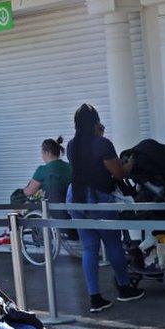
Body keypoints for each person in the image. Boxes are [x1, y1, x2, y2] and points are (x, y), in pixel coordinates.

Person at [66, 104, 145, 313]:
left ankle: (95, 298)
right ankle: (124, 288)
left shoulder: (72, 145)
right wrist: (128, 165)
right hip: (98, 199)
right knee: (113, 244)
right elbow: (119, 174)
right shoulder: (102, 144)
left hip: (76, 198)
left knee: (89, 248)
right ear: (96, 122)